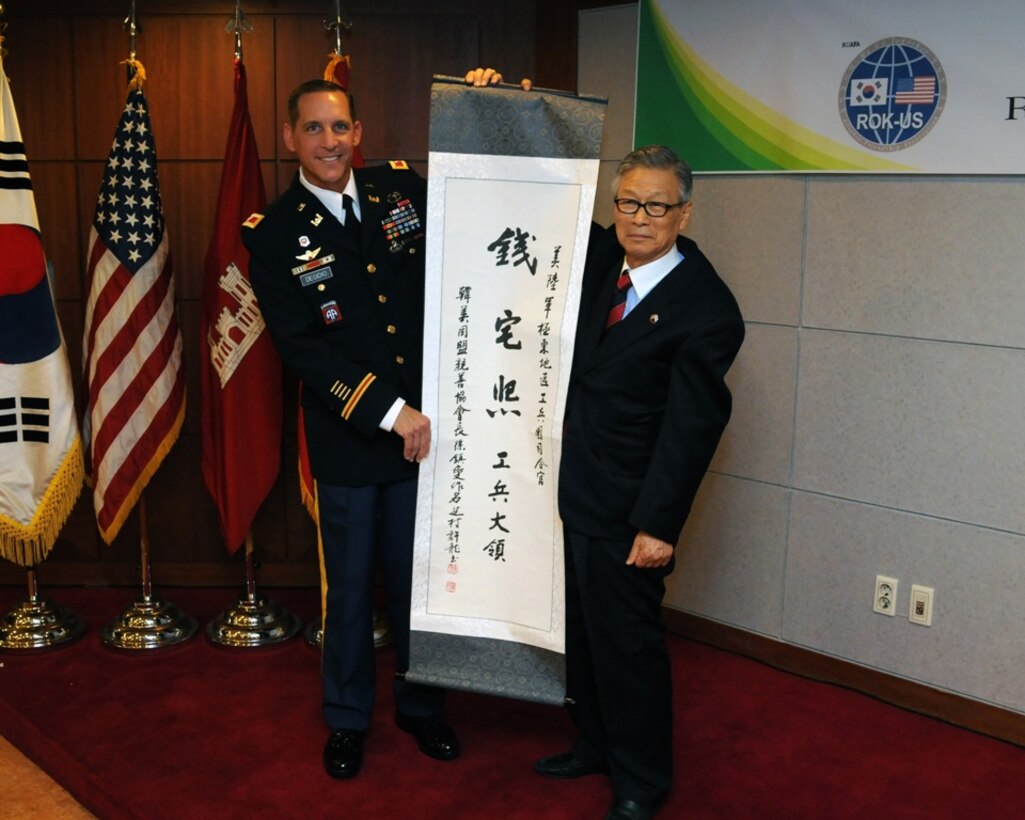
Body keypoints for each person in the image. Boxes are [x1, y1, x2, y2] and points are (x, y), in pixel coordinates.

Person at [241, 67, 514, 780]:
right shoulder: (273, 236)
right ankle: (347, 718)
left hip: (428, 440)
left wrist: (485, 105)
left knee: (419, 581)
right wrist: (393, 415)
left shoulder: (402, 193)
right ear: (290, 138)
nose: (328, 141)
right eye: (313, 128)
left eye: (339, 127)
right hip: (354, 439)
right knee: (353, 588)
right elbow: (302, 349)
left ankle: (424, 707)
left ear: (358, 133)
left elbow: (480, 199)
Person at [535, 145, 745, 820]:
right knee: (583, 638)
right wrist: (512, 110)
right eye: (627, 202)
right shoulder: (604, 261)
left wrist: (658, 526)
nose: (639, 218)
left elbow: (690, 429)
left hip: (630, 510)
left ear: (684, 212)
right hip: (570, 493)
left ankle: (642, 778)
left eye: (657, 206)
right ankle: (594, 744)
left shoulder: (706, 310)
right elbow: (548, 195)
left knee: (627, 647)